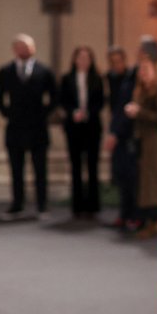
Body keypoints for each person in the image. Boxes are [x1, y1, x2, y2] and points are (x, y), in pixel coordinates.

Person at [0, 34, 57, 221]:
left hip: (38, 127)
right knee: (16, 168)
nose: (24, 50)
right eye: (20, 47)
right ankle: (17, 204)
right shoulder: (6, 71)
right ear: (15, 50)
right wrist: (8, 113)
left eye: (27, 47)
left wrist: (43, 113)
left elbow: (54, 96)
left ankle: (42, 205)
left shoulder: (44, 71)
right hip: (15, 127)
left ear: (33, 49)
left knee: (40, 169)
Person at [124, 54, 157, 238]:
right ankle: (150, 221)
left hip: (156, 142)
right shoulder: (141, 91)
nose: (142, 74)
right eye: (140, 70)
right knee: (146, 183)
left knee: (155, 182)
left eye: (146, 70)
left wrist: (139, 112)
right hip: (144, 140)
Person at [60, 46, 105, 220]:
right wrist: (73, 112)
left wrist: (88, 113)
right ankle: (77, 206)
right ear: (75, 60)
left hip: (92, 126)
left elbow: (100, 102)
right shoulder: (66, 78)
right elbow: (62, 100)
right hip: (74, 127)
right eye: (80, 57)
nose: (83, 61)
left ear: (91, 60)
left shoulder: (97, 79)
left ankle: (93, 207)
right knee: (76, 167)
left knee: (92, 167)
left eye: (87, 58)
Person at [105, 46, 139, 229]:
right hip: (117, 132)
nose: (116, 65)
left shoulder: (130, 79)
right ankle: (124, 214)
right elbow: (114, 110)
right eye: (112, 62)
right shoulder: (111, 79)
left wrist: (115, 134)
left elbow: (124, 111)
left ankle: (132, 215)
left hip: (127, 135)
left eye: (118, 61)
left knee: (130, 178)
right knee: (120, 176)